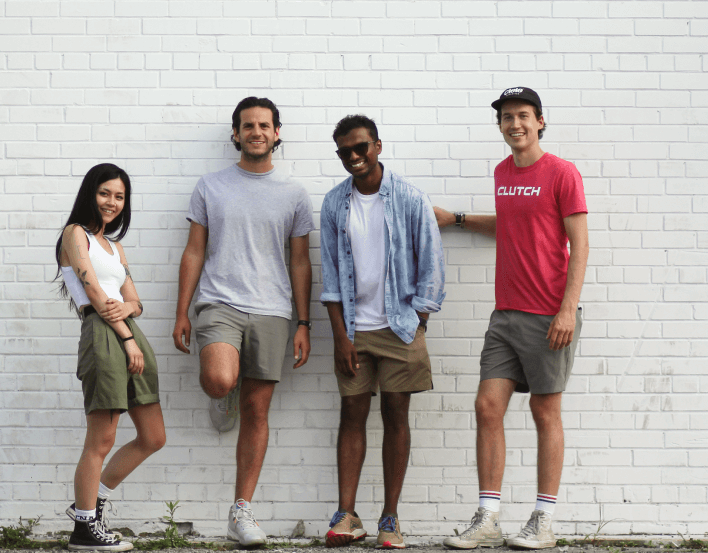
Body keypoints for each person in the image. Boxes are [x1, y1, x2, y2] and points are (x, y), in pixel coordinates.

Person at [439, 87, 589, 550]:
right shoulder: (503, 172)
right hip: (505, 313)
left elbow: (579, 245)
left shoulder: (562, 173)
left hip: (549, 313)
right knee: (488, 407)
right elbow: (511, 223)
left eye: (523, 115)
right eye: (507, 117)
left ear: (540, 121)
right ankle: (488, 517)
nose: (515, 124)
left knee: (545, 411)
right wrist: (459, 219)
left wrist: (566, 308)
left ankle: (543, 520)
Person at [171, 97, 314, 546]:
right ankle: (222, 394)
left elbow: (301, 262)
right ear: (236, 134)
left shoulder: (294, 194)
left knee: (258, 410)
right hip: (219, 302)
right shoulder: (211, 186)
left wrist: (303, 322)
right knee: (218, 378)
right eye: (247, 125)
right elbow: (195, 250)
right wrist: (182, 310)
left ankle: (241, 512)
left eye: (264, 125)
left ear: (276, 133)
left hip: (273, 309)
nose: (256, 131)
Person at [320, 115, 445, 550]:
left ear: (377, 145)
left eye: (360, 148)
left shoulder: (410, 199)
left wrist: (419, 322)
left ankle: (390, 519)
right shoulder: (335, 203)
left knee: (396, 416)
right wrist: (340, 336)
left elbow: (432, 266)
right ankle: (347, 515)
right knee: (351, 415)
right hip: (355, 330)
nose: (353, 157)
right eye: (344, 152)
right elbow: (332, 277)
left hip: (400, 327)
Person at [55, 163, 167, 551]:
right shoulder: (75, 235)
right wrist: (127, 337)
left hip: (128, 334)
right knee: (101, 439)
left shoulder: (115, 248)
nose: (112, 202)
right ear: (91, 192)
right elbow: (98, 297)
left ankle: (90, 502)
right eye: (106, 193)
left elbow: (134, 300)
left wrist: (130, 314)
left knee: (153, 436)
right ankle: (84, 528)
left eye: (119, 196)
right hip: (105, 337)